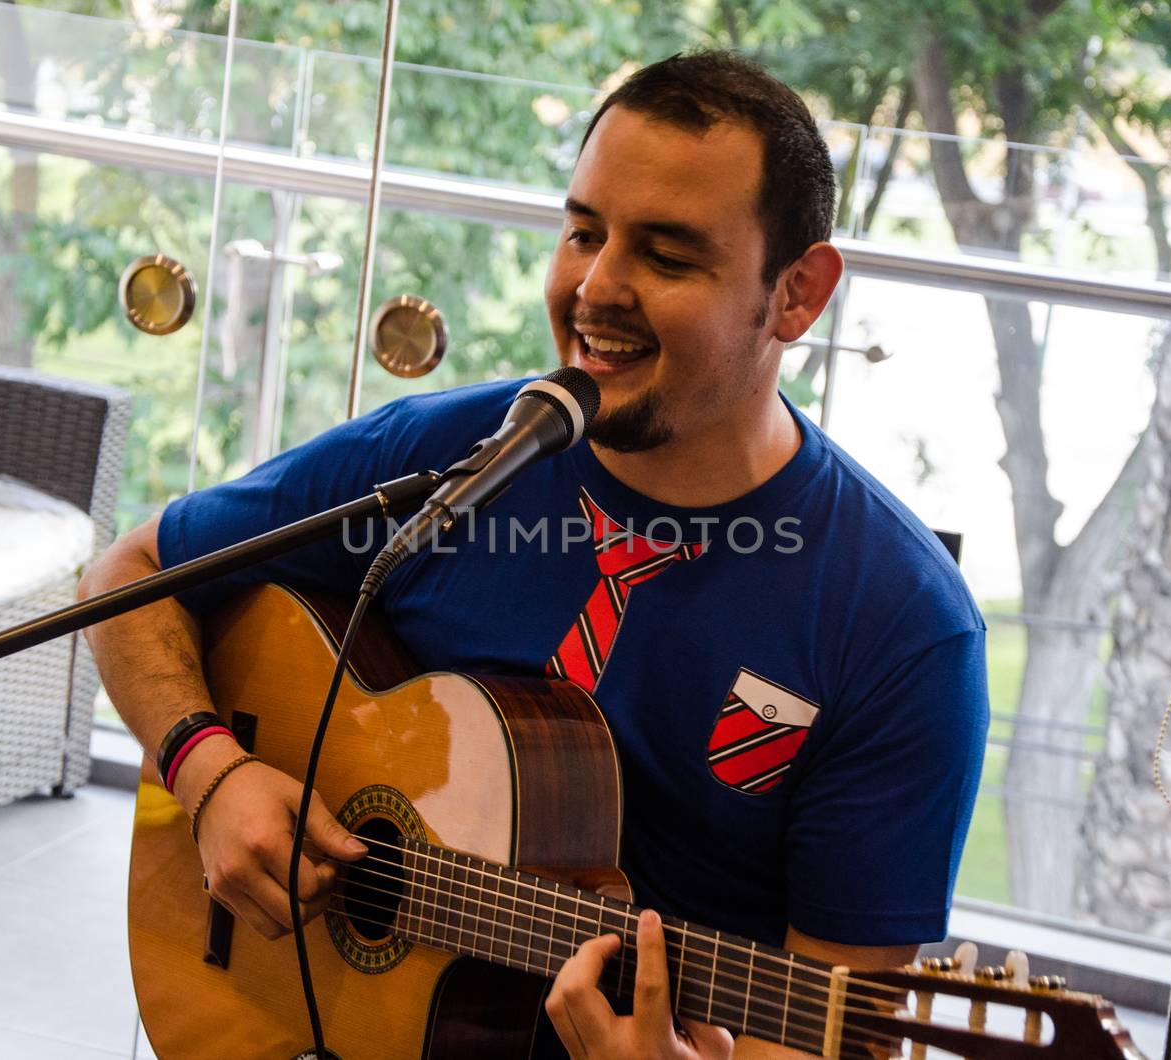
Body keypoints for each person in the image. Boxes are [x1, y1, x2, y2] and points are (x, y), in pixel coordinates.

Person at [80, 49, 988, 1059]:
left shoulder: (902, 628)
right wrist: (209, 771)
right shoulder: (441, 457)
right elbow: (128, 577)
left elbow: (835, 1030)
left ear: (797, 295)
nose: (595, 287)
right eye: (584, 232)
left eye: (667, 254)